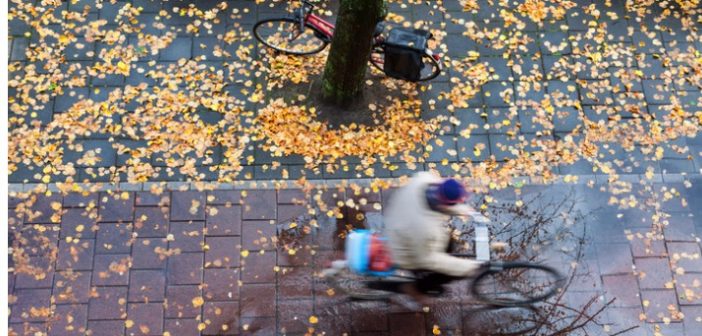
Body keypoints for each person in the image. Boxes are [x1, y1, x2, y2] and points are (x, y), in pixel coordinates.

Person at [384, 171, 485, 303]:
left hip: (400, 222)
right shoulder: (426, 229)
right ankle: (414, 288)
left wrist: (461, 209)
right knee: (447, 273)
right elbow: (428, 259)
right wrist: (467, 268)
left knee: (447, 244)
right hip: (406, 253)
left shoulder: (424, 179)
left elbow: (438, 203)